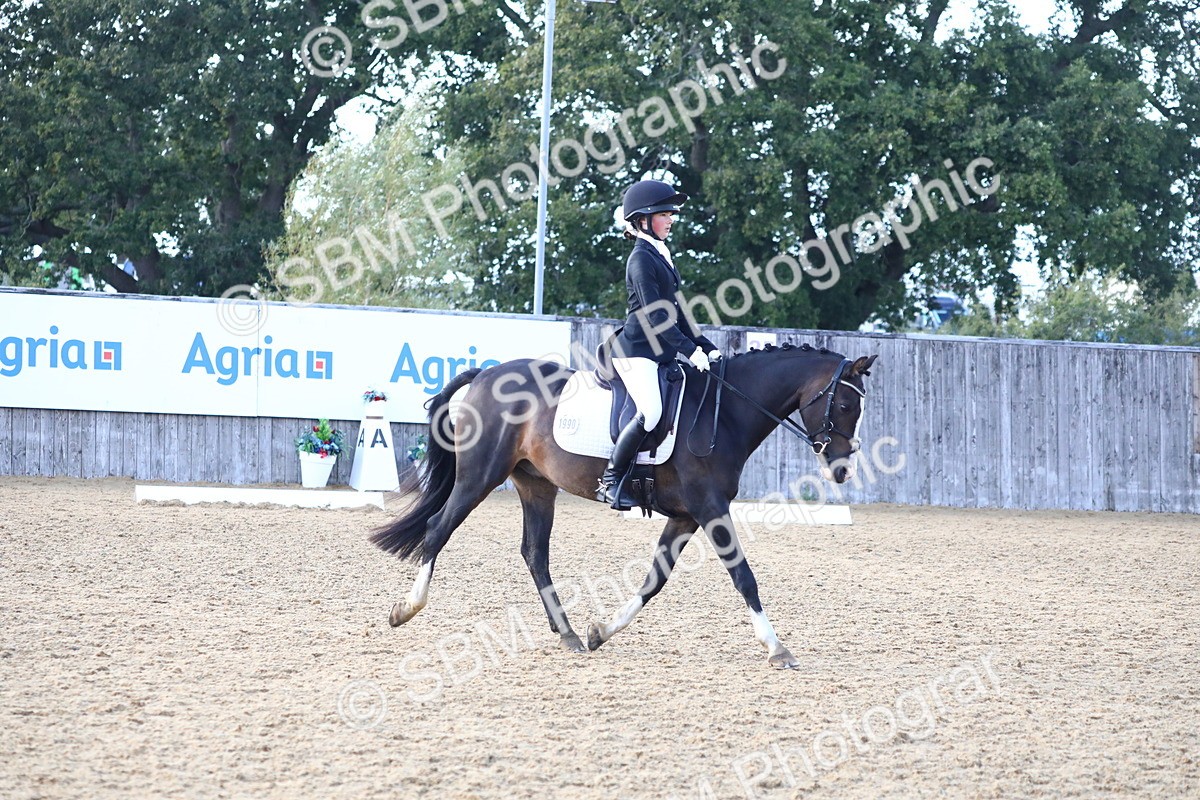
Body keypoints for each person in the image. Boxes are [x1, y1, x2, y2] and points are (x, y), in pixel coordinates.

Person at [595, 179, 722, 509]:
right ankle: (610, 480)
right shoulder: (640, 260)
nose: (671, 220)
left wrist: (705, 345)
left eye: (671, 214)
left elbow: (678, 313)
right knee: (650, 412)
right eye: (665, 214)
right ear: (642, 220)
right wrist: (689, 350)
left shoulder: (662, 256)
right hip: (636, 351)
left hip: (660, 352)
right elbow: (655, 317)